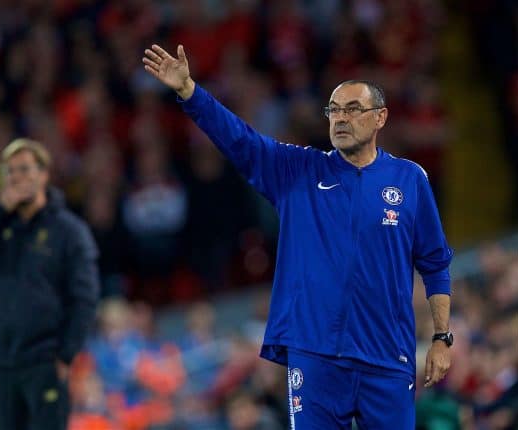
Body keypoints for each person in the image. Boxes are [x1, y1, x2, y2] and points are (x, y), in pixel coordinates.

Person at [143, 44, 454, 429]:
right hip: (315, 355)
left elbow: (436, 263)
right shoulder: (298, 171)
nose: (340, 118)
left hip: (387, 358)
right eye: (334, 110)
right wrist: (190, 91)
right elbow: (240, 140)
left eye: (352, 109)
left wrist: (442, 337)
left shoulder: (411, 179)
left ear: (380, 118)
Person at [0, 138, 99, 430]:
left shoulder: (68, 231)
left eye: (25, 169)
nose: (17, 177)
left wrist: (66, 354)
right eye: (11, 171)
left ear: (44, 174)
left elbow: (85, 297)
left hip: (45, 360)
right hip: (2, 360)